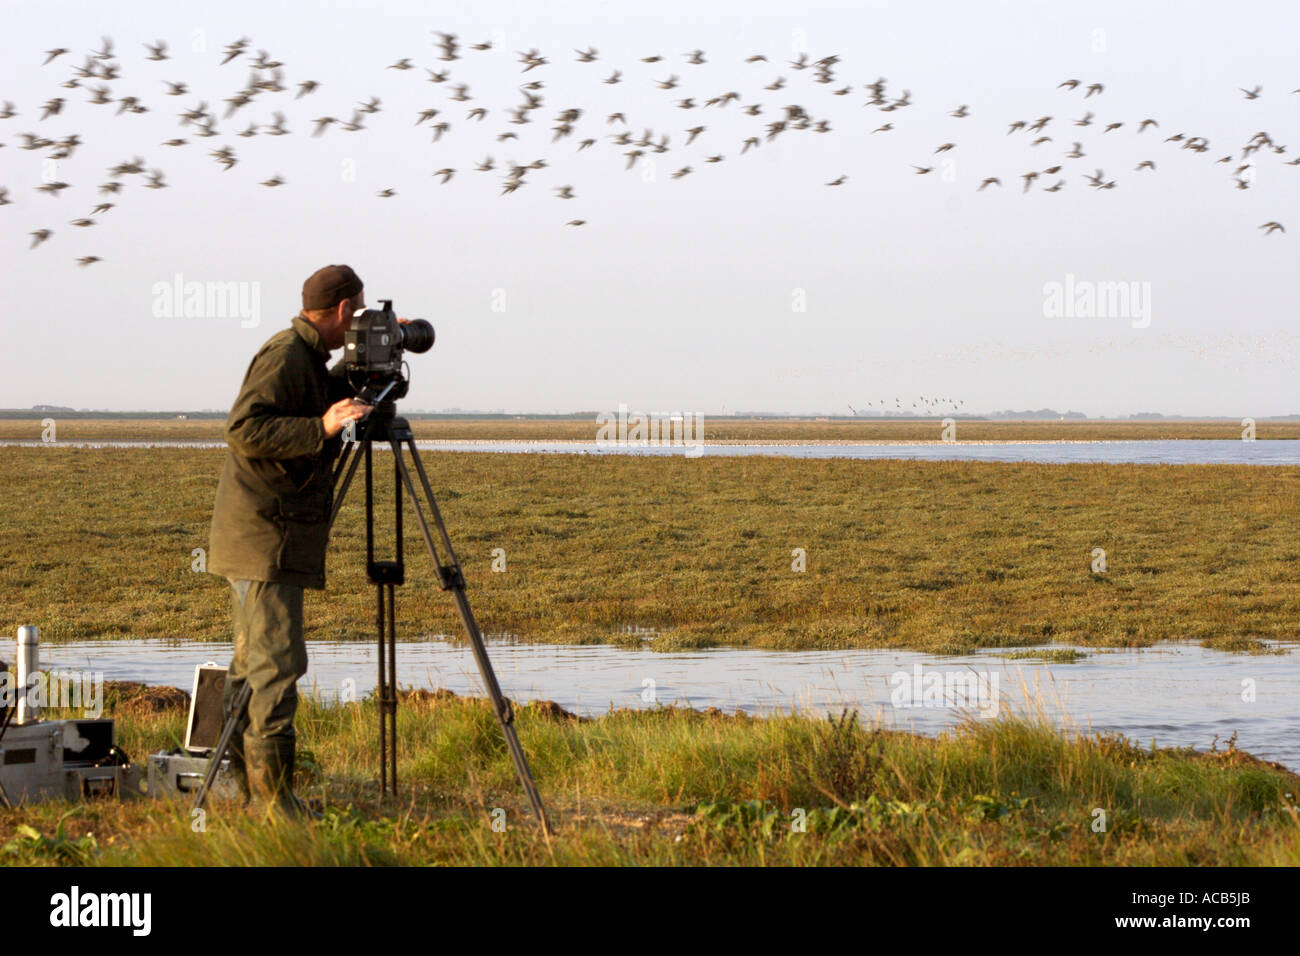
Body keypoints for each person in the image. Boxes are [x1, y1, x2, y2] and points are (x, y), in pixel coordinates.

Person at [208, 264, 374, 816]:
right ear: (345, 310)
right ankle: (272, 805)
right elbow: (244, 429)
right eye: (360, 313)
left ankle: (237, 786)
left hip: (261, 535)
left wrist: (353, 383)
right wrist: (321, 428)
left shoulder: (306, 359)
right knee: (277, 664)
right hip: (263, 538)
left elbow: (303, 407)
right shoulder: (284, 354)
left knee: (250, 663)